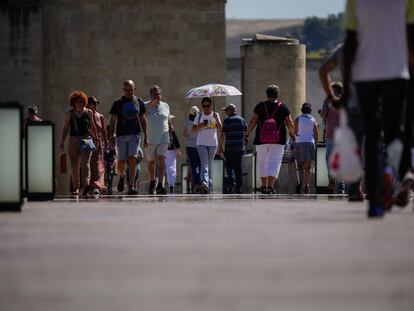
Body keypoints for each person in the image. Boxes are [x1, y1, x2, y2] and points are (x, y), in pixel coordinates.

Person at [343, 0, 414, 218]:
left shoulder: (355, 1)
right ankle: (394, 173)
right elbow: (411, 37)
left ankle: (375, 201)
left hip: (366, 76)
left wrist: (346, 85)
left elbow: (351, 42)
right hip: (397, 74)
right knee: (394, 131)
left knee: (373, 135)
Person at [319, 43, 365, 201]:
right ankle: (365, 184)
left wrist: (330, 99)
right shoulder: (380, 44)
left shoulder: (329, 100)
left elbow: (323, 115)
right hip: (372, 107)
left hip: (333, 133)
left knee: (337, 158)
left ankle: (344, 186)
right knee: (367, 150)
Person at [245, 84, 295, 194]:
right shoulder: (283, 107)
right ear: (277, 94)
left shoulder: (260, 106)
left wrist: (247, 134)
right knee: (275, 162)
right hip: (278, 140)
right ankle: (271, 186)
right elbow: (290, 123)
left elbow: (253, 121)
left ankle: (263, 186)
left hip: (261, 139)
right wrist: (293, 134)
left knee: (262, 161)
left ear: (266, 94)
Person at [109, 80, 147, 195]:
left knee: (132, 159)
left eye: (131, 90)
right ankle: (122, 176)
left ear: (134, 89)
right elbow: (112, 120)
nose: (129, 92)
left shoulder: (139, 102)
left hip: (135, 134)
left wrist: (146, 136)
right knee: (121, 161)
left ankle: (132, 185)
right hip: (121, 134)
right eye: (126, 90)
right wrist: (111, 134)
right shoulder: (117, 103)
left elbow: (143, 120)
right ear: (123, 90)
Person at [59, 91, 98, 196]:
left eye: (81, 102)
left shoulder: (88, 112)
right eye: (77, 102)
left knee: (85, 164)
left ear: (84, 102)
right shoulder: (69, 114)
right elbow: (65, 128)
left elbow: (93, 127)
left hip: (86, 139)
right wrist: (62, 142)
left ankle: (86, 186)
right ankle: (76, 187)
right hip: (73, 140)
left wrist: (96, 138)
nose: (79, 104)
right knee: (74, 166)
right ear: (73, 103)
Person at [144, 85, 172, 195]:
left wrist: (171, 136)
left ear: (161, 94)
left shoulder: (166, 106)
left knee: (161, 159)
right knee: (151, 162)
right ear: (151, 95)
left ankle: (160, 184)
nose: (156, 95)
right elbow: (140, 118)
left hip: (163, 137)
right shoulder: (145, 105)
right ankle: (152, 181)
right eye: (154, 93)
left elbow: (168, 121)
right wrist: (150, 106)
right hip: (150, 138)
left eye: (158, 93)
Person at [319, 82, 346, 194]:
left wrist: (322, 112)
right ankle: (341, 185)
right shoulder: (345, 100)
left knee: (329, 158)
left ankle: (332, 178)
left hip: (330, 135)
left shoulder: (328, 100)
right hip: (343, 135)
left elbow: (323, 115)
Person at [192, 97, 222, 194]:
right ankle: (205, 183)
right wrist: (201, 125)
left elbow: (221, 128)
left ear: (211, 106)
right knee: (204, 164)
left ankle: (208, 185)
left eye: (208, 106)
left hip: (213, 143)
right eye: (204, 106)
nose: (206, 108)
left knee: (209, 165)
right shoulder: (199, 116)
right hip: (201, 143)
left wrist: (217, 120)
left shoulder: (215, 115)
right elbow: (193, 130)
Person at [218, 103, 247, 194]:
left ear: (230, 110)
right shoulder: (242, 120)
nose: (225, 112)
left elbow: (222, 135)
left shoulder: (227, 120)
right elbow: (245, 133)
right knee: (238, 167)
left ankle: (231, 184)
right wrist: (244, 145)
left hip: (229, 148)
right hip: (239, 148)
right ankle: (239, 187)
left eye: (226, 110)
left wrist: (220, 147)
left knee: (229, 167)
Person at [294, 103, 318, 194]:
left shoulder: (297, 119)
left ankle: (299, 183)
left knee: (299, 165)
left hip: (299, 142)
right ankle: (306, 185)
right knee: (308, 167)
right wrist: (314, 142)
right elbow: (316, 134)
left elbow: (295, 131)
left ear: (301, 110)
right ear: (310, 111)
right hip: (309, 142)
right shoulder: (313, 119)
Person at [87, 96, 107, 195]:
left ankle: (97, 184)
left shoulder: (100, 116)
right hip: (88, 142)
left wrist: (106, 142)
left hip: (98, 143)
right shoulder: (86, 115)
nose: (95, 105)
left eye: (96, 103)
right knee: (88, 164)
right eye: (93, 103)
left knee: (98, 164)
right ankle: (89, 185)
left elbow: (103, 130)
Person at [183, 106, 201, 193]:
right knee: (200, 164)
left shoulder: (187, 122)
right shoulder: (200, 122)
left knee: (193, 165)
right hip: (199, 145)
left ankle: (197, 183)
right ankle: (201, 182)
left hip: (190, 146)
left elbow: (185, 134)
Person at [166, 116, 181, 194]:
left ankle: (171, 184)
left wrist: (178, 149)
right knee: (171, 168)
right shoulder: (170, 129)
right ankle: (171, 184)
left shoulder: (170, 129)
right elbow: (175, 139)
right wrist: (178, 149)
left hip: (168, 150)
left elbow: (175, 138)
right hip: (168, 150)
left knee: (169, 168)